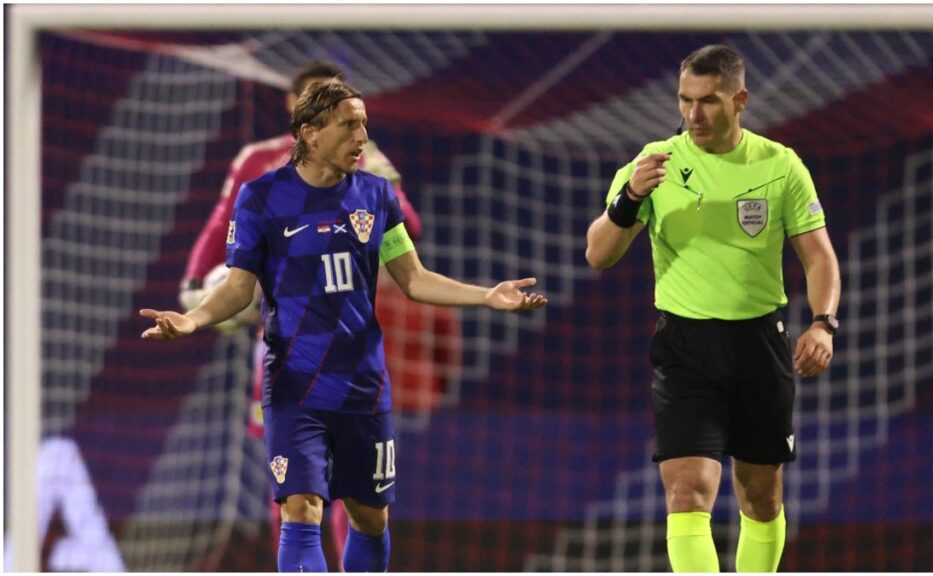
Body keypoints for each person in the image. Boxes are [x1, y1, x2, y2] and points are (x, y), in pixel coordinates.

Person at [142, 77, 547, 572]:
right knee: (301, 507)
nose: (362, 136)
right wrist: (193, 319)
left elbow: (415, 279)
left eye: (365, 124)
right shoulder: (261, 197)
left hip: (362, 382)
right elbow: (237, 287)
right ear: (310, 133)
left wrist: (487, 295)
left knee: (370, 517)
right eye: (349, 125)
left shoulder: (376, 195)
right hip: (292, 381)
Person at [177, 60, 453, 567]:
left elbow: (406, 226)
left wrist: (377, 176)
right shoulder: (257, 165)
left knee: (359, 495)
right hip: (280, 335)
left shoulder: (368, 165)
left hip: (348, 336)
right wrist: (195, 287)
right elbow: (221, 226)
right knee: (293, 487)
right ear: (297, 108)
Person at [584, 44, 840, 573]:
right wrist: (629, 198)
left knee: (762, 497)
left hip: (758, 345)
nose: (693, 115)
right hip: (685, 347)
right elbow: (598, 254)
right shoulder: (653, 164)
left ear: (739, 99)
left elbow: (819, 257)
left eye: (708, 101)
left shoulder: (779, 164)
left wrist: (823, 323)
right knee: (687, 492)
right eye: (685, 100)